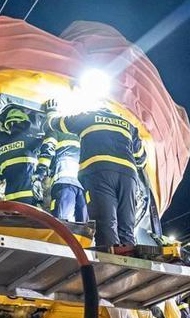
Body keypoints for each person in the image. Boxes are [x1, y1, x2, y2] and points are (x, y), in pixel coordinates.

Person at [44, 99, 146, 247]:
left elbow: (57, 124)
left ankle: (110, 264)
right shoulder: (128, 124)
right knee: (126, 226)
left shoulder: (88, 117)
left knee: (106, 224)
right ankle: (128, 256)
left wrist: (51, 113)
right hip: (128, 176)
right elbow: (141, 158)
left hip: (98, 172)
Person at [0, 105, 48, 204]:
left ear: (8, 125)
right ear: (24, 123)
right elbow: (48, 153)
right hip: (30, 198)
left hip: (10, 201)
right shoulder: (32, 141)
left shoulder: (0, 148)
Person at [42, 131, 88, 223]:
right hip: (82, 186)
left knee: (62, 224)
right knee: (84, 227)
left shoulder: (53, 131)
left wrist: (39, 173)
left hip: (64, 182)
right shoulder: (80, 134)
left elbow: (47, 150)